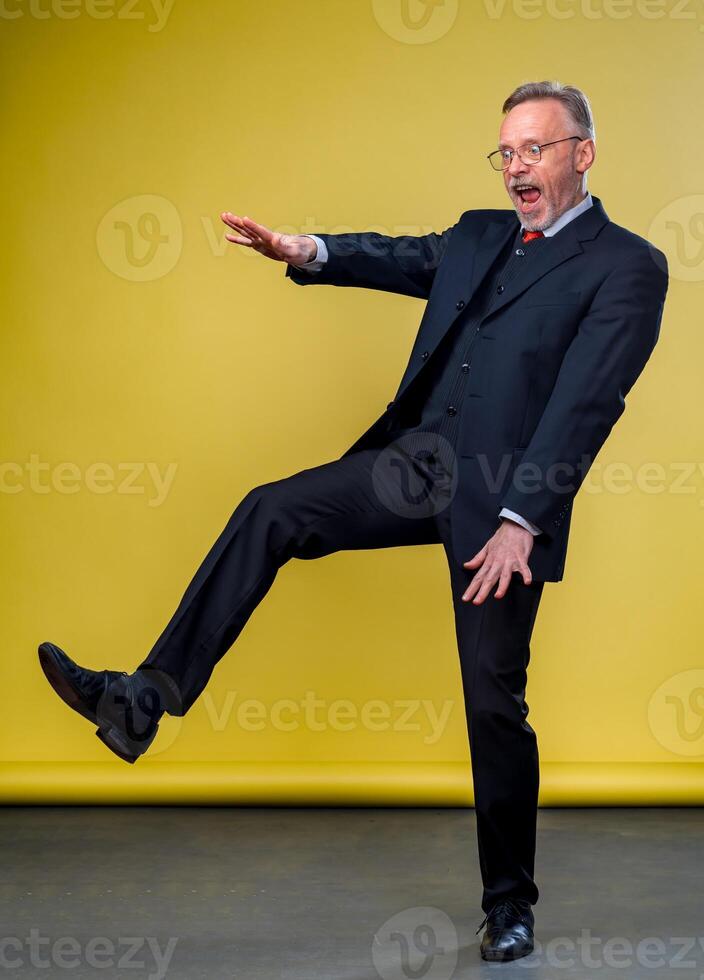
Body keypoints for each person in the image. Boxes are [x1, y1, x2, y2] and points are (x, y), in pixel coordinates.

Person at [38, 80, 668, 962]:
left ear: (582, 154)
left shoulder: (627, 264)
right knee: (271, 509)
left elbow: (588, 402)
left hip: (502, 501)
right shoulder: (483, 232)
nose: (517, 167)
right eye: (507, 152)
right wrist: (309, 250)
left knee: (493, 701)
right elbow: (406, 257)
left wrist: (525, 517)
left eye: (535, 149)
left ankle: (509, 904)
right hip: (417, 465)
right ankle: (141, 698)